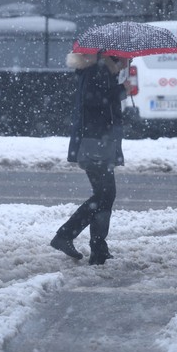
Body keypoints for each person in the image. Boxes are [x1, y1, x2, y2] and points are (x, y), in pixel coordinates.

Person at [50, 51, 131, 265]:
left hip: (99, 142)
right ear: (115, 56)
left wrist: (119, 89)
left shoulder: (102, 71)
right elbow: (94, 102)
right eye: (127, 58)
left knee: (104, 195)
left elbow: (101, 103)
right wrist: (121, 90)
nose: (128, 62)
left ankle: (98, 248)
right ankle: (67, 235)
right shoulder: (97, 71)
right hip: (95, 143)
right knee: (105, 195)